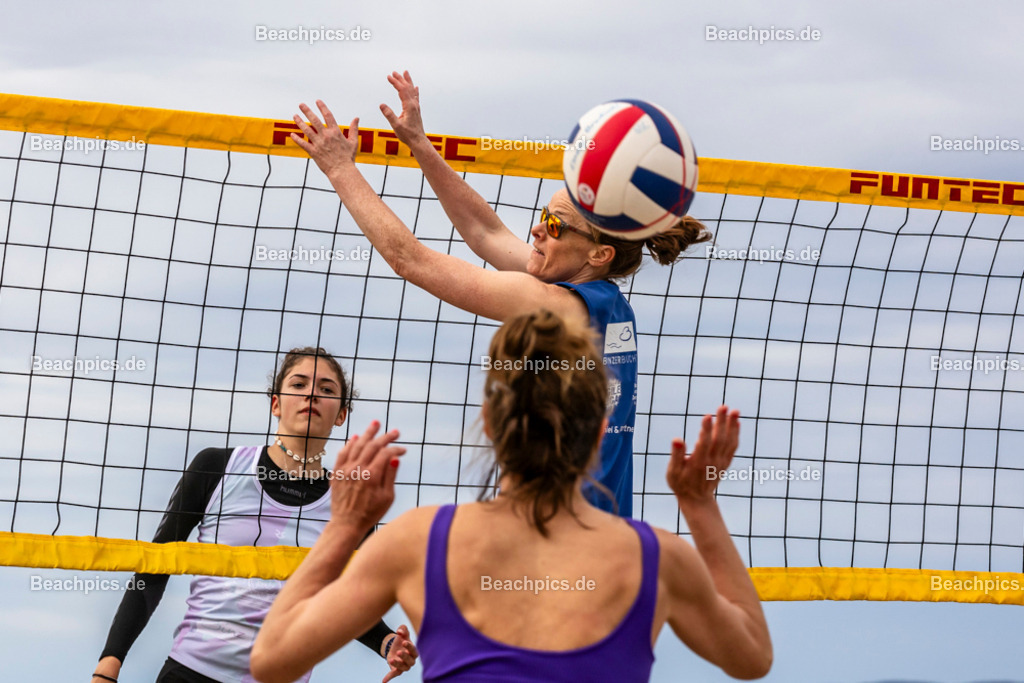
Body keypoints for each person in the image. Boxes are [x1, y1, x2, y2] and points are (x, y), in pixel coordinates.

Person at [251, 310, 771, 682]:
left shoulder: (421, 540)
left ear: (493, 428)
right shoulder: (658, 558)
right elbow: (752, 659)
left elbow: (273, 661)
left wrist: (343, 526)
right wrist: (699, 506)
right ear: (598, 436)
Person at [286, 72, 712, 517]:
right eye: (543, 216)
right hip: (608, 535)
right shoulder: (599, 300)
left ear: (600, 253)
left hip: (560, 536)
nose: (536, 230)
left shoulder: (559, 305)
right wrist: (419, 144)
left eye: (553, 227)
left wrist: (339, 168)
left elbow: (409, 260)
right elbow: (484, 231)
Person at [91, 347, 418, 683]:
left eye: (327, 389)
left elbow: (350, 602)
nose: (312, 395)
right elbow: (153, 571)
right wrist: (109, 664)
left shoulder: (350, 501)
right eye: (299, 384)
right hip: (191, 672)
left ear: (341, 415)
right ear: (276, 403)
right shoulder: (217, 467)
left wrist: (387, 641)